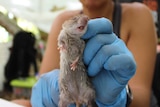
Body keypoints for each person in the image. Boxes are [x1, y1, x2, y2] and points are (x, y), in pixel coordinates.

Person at [12, 0, 157, 107]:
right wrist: (45, 94)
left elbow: (143, 99)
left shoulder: (137, 15)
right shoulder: (62, 21)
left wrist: (120, 97)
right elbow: (40, 93)